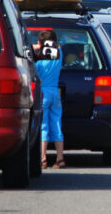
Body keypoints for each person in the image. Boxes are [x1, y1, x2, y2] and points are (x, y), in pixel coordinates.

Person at [35, 30, 65, 168]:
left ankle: (42, 158)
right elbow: (58, 47)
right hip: (55, 91)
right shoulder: (59, 55)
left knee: (43, 126)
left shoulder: (40, 59)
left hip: (42, 92)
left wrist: (36, 47)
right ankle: (60, 158)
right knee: (57, 124)